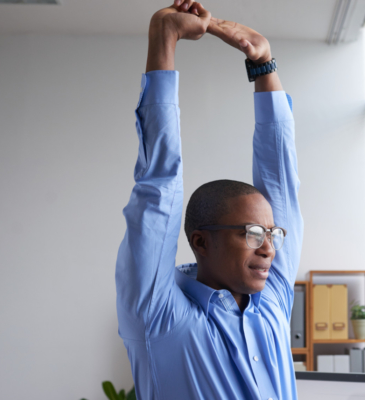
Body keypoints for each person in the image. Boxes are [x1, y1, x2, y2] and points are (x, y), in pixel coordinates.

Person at [115, 1, 303, 399]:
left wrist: (264, 65)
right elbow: (158, 187)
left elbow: (281, 184)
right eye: (253, 233)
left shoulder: (271, 300)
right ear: (201, 241)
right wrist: (164, 38)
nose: (269, 249)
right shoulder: (158, 316)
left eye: (272, 234)